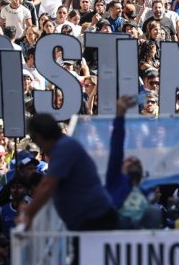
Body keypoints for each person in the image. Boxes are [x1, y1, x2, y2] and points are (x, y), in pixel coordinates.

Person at [17, 95, 138, 231]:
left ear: (38, 137)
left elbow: (47, 184)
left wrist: (27, 213)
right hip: (87, 220)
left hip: (96, 220)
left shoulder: (64, 148)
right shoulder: (63, 146)